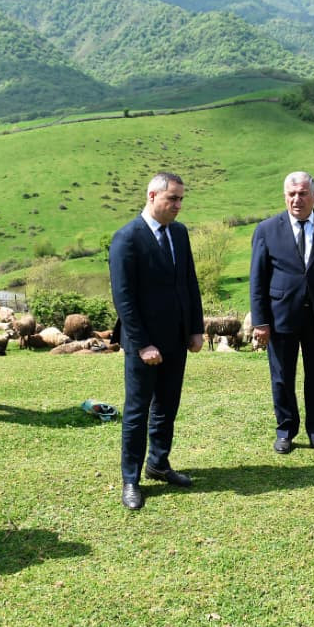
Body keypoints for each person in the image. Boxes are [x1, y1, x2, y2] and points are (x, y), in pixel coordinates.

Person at [109, 172, 205, 510]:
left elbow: (188, 283)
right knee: (137, 411)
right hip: (144, 344)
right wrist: (142, 344)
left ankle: (159, 463)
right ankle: (131, 479)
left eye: (181, 199)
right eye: (172, 199)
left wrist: (195, 328)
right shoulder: (127, 239)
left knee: (167, 405)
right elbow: (124, 299)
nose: (178, 205)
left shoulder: (178, 233)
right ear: (152, 196)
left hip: (177, 339)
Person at [249, 171, 314, 458]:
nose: (297, 199)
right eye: (292, 194)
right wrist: (260, 322)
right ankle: (286, 431)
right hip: (280, 318)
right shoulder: (267, 230)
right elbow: (257, 280)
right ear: (285, 196)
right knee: (282, 377)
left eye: (303, 193)